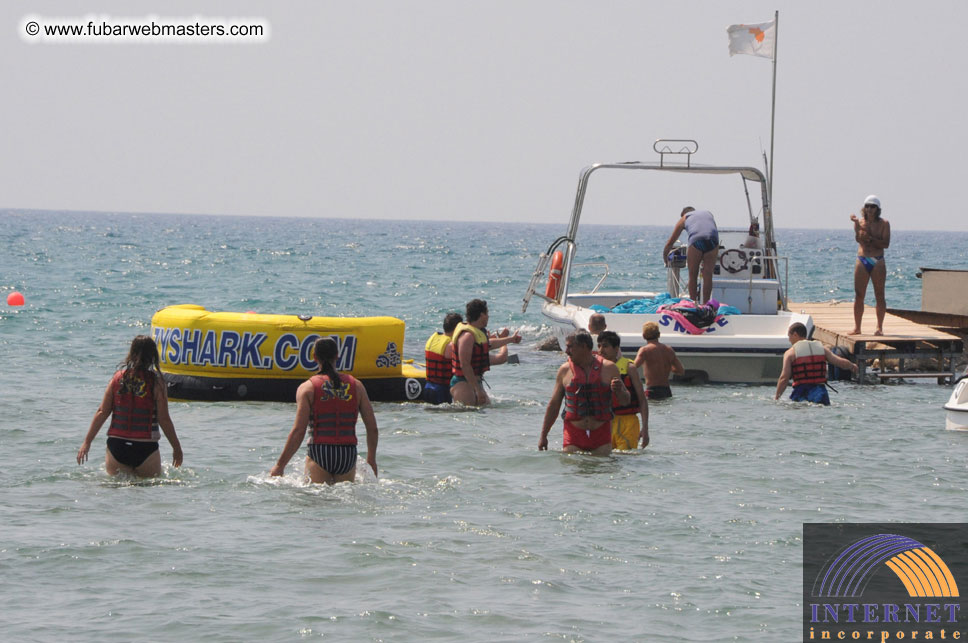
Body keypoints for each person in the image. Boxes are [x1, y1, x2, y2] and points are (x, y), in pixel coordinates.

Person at [270, 337, 378, 484]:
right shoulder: (357, 386)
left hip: (319, 452)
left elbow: (298, 431)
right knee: (342, 501)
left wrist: (280, 465)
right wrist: (371, 461)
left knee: (317, 502)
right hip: (347, 454)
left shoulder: (307, 388)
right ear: (337, 356)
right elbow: (372, 428)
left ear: (314, 357)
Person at [77, 335, 183, 477]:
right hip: (146, 448)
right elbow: (164, 419)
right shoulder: (157, 383)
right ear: (153, 356)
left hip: (117, 447)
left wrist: (87, 442)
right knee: (149, 494)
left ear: (131, 354)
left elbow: (102, 412)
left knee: (117, 493)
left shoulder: (117, 379)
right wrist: (176, 448)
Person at [538, 331, 629, 456]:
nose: (567, 351)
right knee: (573, 472)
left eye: (570, 346)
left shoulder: (609, 368)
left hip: (601, 434)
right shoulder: (564, 370)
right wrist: (543, 435)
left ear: (584, 346)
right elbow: (554, 405)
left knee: (603, 472)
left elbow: (625, 401)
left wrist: (619, 390)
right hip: (574, 435)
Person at [450, 299, 522, 406]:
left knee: (486, 413)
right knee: (468, 417)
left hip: (475, 383)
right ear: (482, 315)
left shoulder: (477, 333)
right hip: (463, 384)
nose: (488, 316)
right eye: (487, 313)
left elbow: (489, 344)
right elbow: (465, 365)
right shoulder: (467, 336)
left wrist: (510, 339)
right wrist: (477, 390)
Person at [775, 322, 858, 405]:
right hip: (820, 392)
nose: (789, 340)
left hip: (801, 392)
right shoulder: (822, 349)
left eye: (789, 336)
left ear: (795, 335)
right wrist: (852, 365)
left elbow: (784, 378)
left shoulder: (790, 353)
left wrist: (777, 397)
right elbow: (839, 362)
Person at [596, 331, 649, 449]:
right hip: (605, 422)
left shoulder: (629, 367)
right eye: (599, 346)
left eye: (605, 346)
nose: (601, 350)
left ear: (616, 349)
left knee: (625, 459)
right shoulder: (596, 368)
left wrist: (645, 428)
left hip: (628, 423)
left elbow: (642, 399)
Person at [849, 195, 891, 336]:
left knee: (879, 295)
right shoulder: (861, 222)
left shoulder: (884, 223)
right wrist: (856, 225)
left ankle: (879, 328)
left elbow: (886, 244)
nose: (869, 209)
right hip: (862, 259)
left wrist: (871, 239)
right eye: (867, 206)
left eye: (872, 206)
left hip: (877, 260)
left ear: (877, 209)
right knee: (859, 294)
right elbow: (858, 239)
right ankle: (857, 327)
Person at [662, 206, 720, 304]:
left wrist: (665, 259)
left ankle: (694, 304)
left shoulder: (684, 218)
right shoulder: (707, 213)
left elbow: (670, 243)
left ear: (683, 214)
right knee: (708, 275)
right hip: (713, 240)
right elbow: (710, 229)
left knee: (692, 275)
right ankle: (706, 305)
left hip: (696, 240)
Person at [633, 322, 684, 400]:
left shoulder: (644, 350)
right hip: (666, 390)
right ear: (659, 334)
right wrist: (666, 367)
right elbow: (681, 371)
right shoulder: (669, 349)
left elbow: (633, 367)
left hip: (652, 390)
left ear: (643, 336)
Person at [423, 312, 463, 404]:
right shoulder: (450, 345)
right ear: (457, 329)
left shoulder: (433, 338)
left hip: (428, 388)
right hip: (441, 391)